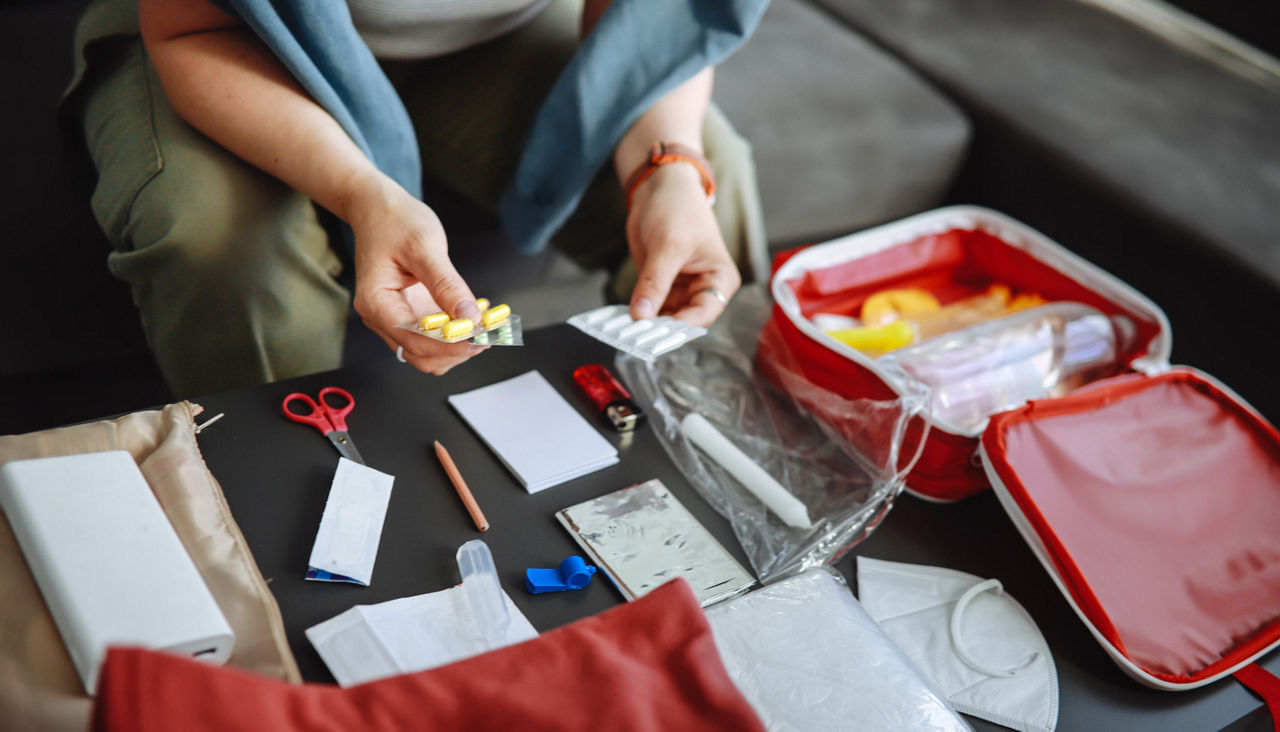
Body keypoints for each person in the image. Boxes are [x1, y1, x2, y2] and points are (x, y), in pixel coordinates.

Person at [63, 0, 770, 397]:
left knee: (712, 183)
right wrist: (361, 193)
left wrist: (669, 166)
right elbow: (192, 29)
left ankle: (700, 433)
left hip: (488, 40)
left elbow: (660, 22)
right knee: (230, 249)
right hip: (233, 38)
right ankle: (284, 496)